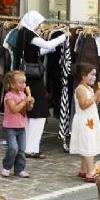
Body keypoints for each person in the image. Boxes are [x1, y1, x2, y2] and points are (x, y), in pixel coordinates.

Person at [18, 11, 66, 159]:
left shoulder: (23, 33)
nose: (39, 26)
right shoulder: (30, 34)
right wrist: (63, 37)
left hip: (29, 77)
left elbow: (38, 51)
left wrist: (51, 48)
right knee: (38, 113)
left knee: (30, 112)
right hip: (34, 78)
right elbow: (47, 44)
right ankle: (32, 148)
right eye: (38, 23)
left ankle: (27, 147)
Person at [69, 63, 100, 183]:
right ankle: (90, 172)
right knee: (88, 145)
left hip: (90, 120)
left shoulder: (89, 88)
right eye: (92, 75)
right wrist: (95, 96)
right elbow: (83, 105)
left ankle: (83, 169)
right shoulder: (80, 89)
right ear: (84, 76)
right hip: (85, 121)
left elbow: (94, 103)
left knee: (87, 143)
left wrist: (98, 95)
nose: (94, 78)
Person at [1, 70, 35, 178]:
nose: (23, 85)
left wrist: (30, 103)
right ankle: (6, 167)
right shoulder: (9, 96)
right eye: (20, 83)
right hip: (10, 127)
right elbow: (14, 109)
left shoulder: (23, 95)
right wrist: (25, 101)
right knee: (13, 148)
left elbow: (28, 109)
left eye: (24, 83)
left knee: (21, 150)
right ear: (12, 85)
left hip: (21, 126)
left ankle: (19, 169)